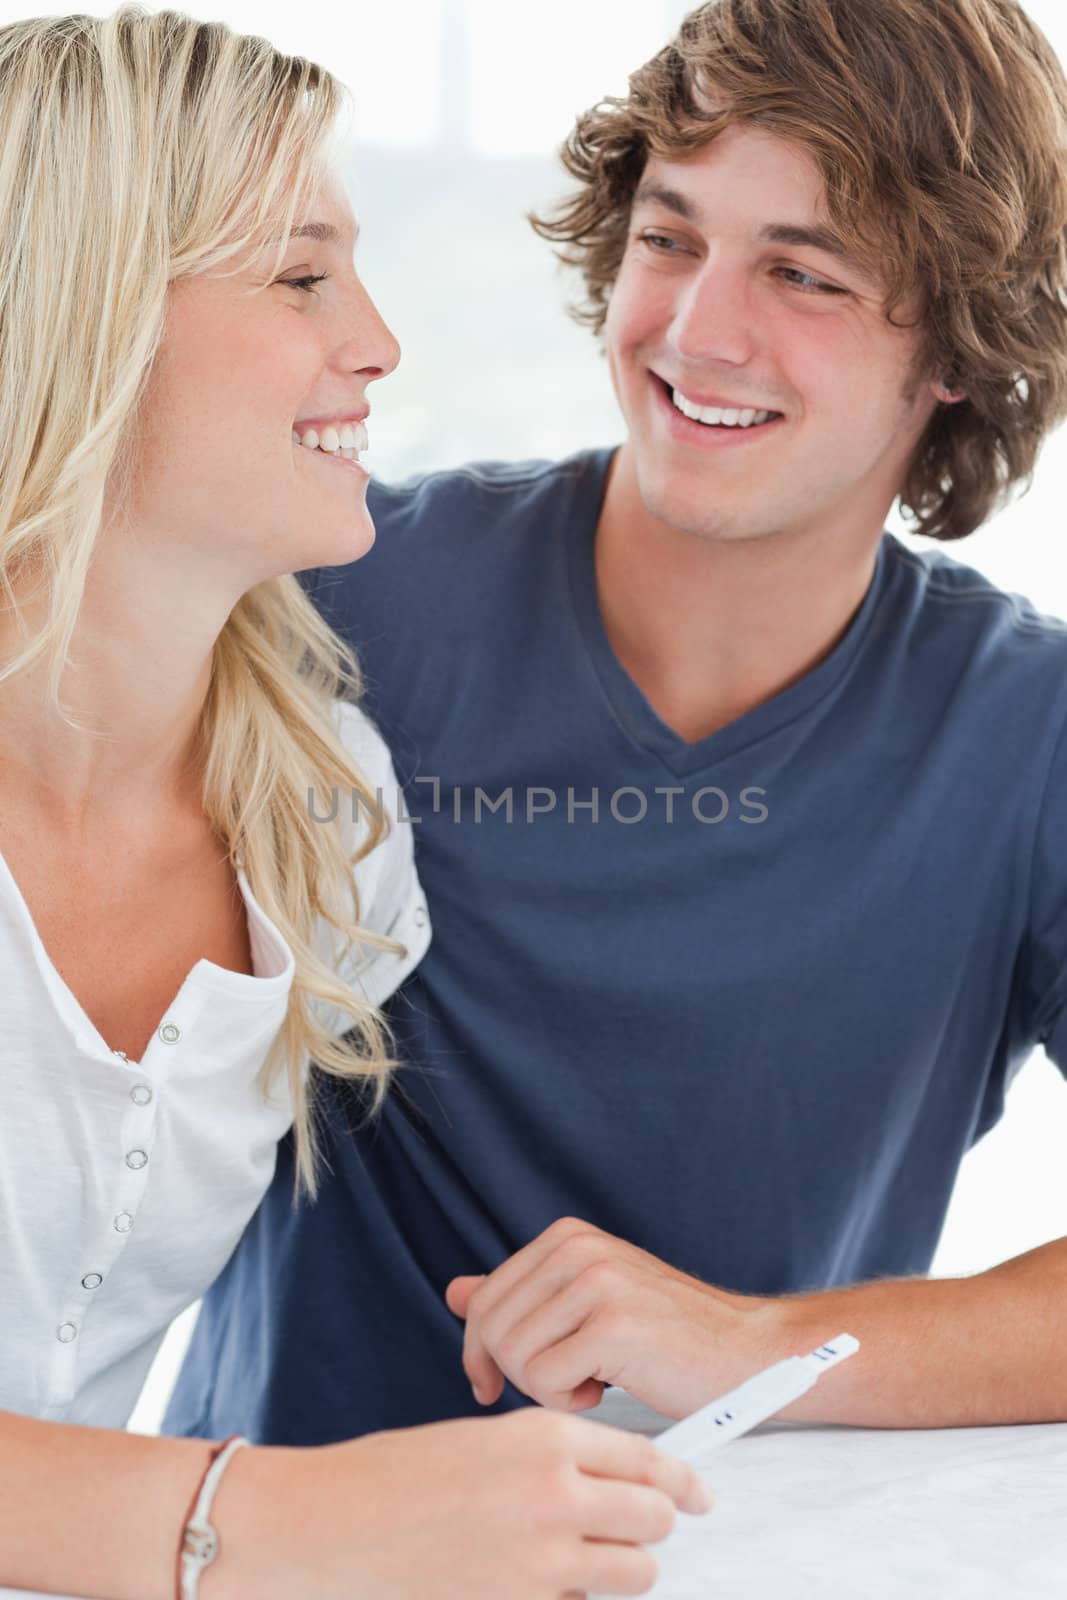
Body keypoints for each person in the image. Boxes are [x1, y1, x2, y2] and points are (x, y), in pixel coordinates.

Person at [165, 0, 1067, 1452]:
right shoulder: (340, 601)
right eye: (671, 237)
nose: (700, 331)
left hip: (723, 1552)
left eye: (805, 274)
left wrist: (747, 1343)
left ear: (958, 348)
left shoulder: (1026, 739)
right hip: (279, 1541)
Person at [0, 9, 713, 1599]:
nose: (378, 341)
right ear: (86, 311)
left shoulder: (328, 829)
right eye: (302, 273)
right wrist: (280, 1522)